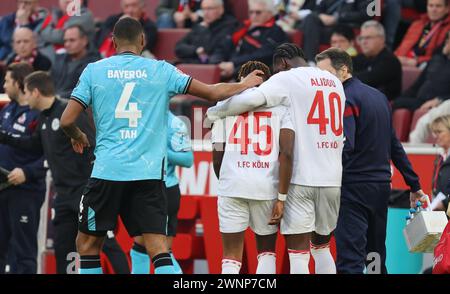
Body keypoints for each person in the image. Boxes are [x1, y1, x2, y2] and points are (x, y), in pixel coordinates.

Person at [59, 17, 263, 274]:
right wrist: (243, 84)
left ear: (112, 42)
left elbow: (66, 119)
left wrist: (77, 135)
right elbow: (213, 93)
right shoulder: (161, 70)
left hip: (107, 172)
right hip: (149, 175)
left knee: (87, 245)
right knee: (158, 247)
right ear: (143, 40)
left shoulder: (94, 70)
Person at [207, 43, 346, 274]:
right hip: (331, 176)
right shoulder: (334, 82)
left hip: (300, 178)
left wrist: (215, 112)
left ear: (282, 63)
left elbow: (251, 100)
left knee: (296, 255)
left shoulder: (286, 80)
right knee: (322, 248)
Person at [0, 71, 129, 274]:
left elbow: (93, 145)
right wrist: (4, 137)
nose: (25, 97)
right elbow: (34, 146)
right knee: (64, 248)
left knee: (106, 242)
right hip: (63, 196)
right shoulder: (43, 119)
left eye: (26, 91)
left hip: (84, 191)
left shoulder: (68, 112)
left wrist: (96, 186)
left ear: (35, 92)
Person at [315, 47, 426, 274]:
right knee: (375, 255)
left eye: (325, 74)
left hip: (352, 188)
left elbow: (346, 145)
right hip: (379, 187)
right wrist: (414, 184)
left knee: (350, 259)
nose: (321, 81)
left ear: (343, 69)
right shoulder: (378, 97)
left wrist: (323, 175)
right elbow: (394, 145)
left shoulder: (343, 98)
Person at [209, 61, 294, 274]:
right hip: (266, 185)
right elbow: (287, 152)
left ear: (241, 80)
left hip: (232, 185)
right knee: (266, 252)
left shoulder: (224, 107)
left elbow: (217, 157)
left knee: (230, 255)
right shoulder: (281, 108)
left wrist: (228, 178)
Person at [131, 111, 194, 274]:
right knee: (142, 247)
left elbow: (188, 159)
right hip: (142, 188)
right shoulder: (139, 116)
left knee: (159, 250)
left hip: (165, 190)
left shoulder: (174, 124)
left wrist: (160, 151)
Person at [0, 62, 46, 274]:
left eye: (7, 81)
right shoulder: (7, 109)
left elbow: (50, 154)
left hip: (26, 191)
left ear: (19, 83)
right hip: (3, 189)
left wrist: (27, 172)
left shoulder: (39, 114)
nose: (4, 85)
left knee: (23, 251)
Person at [216, 0, 288, 79]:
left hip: (256, 73)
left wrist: (233, 64)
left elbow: (263, 55)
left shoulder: (275, 31)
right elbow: (224, 46)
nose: (254, 16)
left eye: (258, 12)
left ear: (270, 14)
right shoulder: (242, 28)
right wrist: (218, 62)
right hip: (232, 67)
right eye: (251, 12)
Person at [393, 31, 450, 112]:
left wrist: (440, 100)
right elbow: (418, 84)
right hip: (420, 100)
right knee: (396, 103)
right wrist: (402, 97)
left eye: (449, 40)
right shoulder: (436, 59)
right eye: (447, 38)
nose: (446, 42)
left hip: (439, 104)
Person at [300, 0, 372, 62]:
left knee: (310, 25)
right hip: (328, 28)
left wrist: (337, 18)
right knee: (310, 18)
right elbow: (317, 9)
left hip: (348, 27)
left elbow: (368, 14)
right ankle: (310, 62)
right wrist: (320, 16)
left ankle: (311, 60)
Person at [175, 0, 238, 64]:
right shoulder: (200, 26)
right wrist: (196, 50)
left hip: (210, 69)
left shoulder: (229, 26)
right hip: (192, 66)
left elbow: (214, 58)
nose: (205, 13)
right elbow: (178, 48)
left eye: (209, 9)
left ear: (221, 9)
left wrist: (201, 56)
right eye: (203, 9)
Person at [353, 20, 402, 101]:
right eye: (361, 38)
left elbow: (367, 81)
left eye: (368, 38)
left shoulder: (390, 61)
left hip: (380, 108)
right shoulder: (361, 57)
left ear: (382, 39)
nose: (364, 42)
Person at [395, 0, 450, 67]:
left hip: (425, 65)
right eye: (430, 6)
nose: (433, 9)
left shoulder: (447, 29)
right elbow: (402, 47)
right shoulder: (418, 24)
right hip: (405, 60)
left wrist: (417, 61)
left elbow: (440, 57)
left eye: (438, 6)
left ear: (447, 9)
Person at [51, 25, 100, 99]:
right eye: (65, 41)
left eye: (72, 40)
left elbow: (86, 91)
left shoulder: (95, 64)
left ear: (84, 41)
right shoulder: (59, 60)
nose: (67, 44)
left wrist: (58, 97)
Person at [428, 115, 450, 211]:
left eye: (439, 132)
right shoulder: (441, 158)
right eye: (435, 133)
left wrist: (444, 203)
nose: (436, 136)